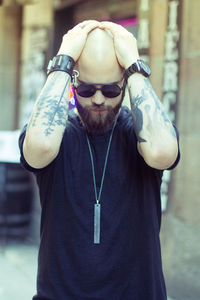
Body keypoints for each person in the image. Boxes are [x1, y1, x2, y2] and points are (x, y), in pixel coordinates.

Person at [19, 20, 180, 300]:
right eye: (85, 89)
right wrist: (63, 62)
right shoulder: (58, 133)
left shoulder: (139, 133)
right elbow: (40, 148)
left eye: (110, 90)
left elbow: (162, 153)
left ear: (124, 86)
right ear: (73, 84)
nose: (97, 100)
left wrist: (134, 67)